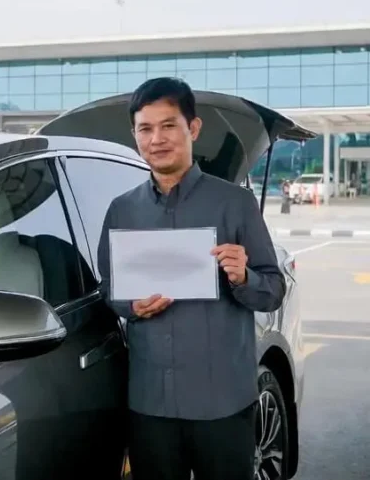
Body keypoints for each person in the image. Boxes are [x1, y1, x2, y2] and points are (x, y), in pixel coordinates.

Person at [98, 77, 287, 480]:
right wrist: (128, 305)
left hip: (222, 402)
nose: (157, 139)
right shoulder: (122, 211)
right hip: (151, 403)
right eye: (145, 129)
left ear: (193, 129)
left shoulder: (234, 204)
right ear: (135, 135)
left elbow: (272, 290)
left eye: (169, 125)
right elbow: (107, 287)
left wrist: (244, 276)